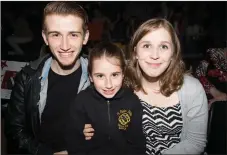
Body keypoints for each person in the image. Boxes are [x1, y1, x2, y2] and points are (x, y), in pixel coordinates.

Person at [83, 18, 208, 154]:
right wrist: (85, 128)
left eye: (163, 46)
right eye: (147, 46)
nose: (155, 55)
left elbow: (195, 143)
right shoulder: (118, 82)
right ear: (135, 52)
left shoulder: (191, 89)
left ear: (173, 53)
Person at [5, 2, 90, 155]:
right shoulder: (27, 78)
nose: (65, 45)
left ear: (85, 37)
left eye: (73, 34)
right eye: (56, 34)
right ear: (45, 37)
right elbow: (14, 130)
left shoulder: (101, 77)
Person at [65, 42, 146, 155]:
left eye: (114, 75)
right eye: (100, 76)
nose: (108, 84)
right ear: (90, 77)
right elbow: (72, 141)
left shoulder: (132, 102)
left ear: (123, 74)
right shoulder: (81, 102)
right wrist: (79, 134)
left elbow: (138, 143)